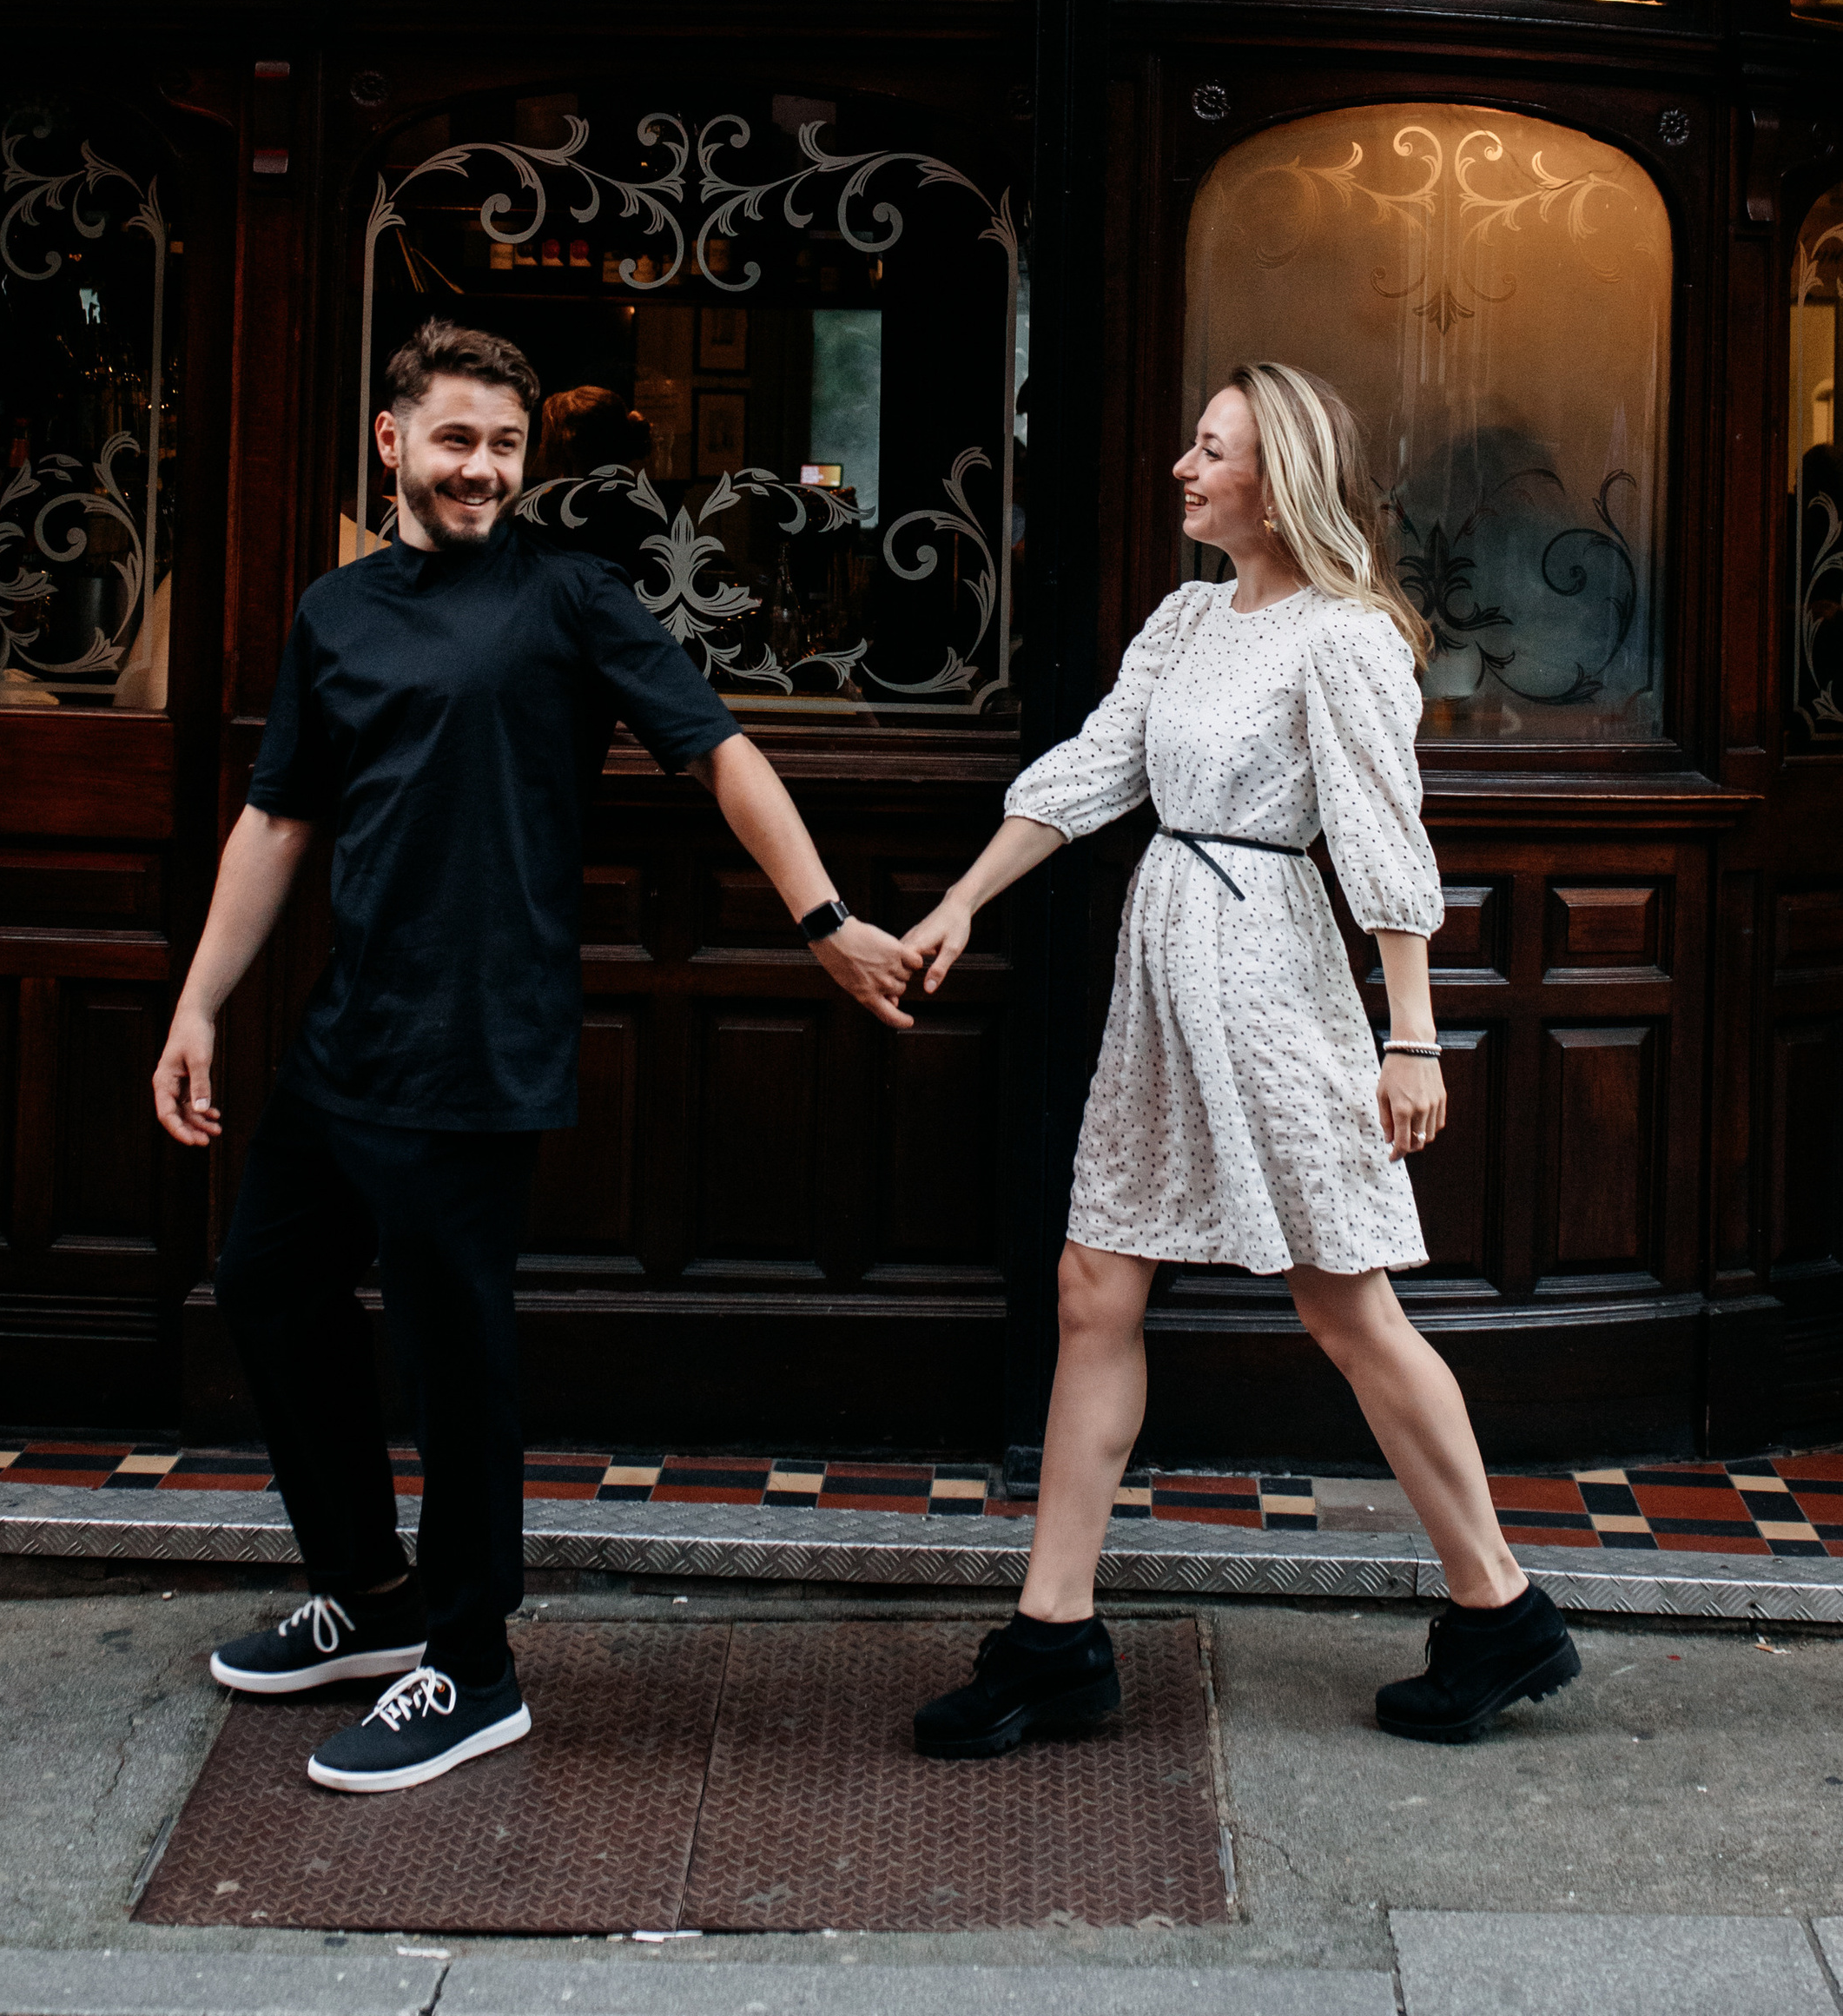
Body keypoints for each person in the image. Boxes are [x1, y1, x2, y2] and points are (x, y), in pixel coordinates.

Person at [150, 317, 918, 1794]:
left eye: (505, 446)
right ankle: (370, 1596)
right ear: (392, 441)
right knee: (266, 1283)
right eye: (457, 440)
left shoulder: (570, 597)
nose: (482, 469)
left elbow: (721, 751)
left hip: (480, 1045)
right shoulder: (336, 613)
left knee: (456, 1358)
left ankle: (474, 1664)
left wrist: (822, 917)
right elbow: (278, 817)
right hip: (348, 1036)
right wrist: (198, 1007)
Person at [900, 361, 1580, 1758]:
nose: (1184, 468)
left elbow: (1384, 841)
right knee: (1095, 1285)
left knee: (1347, 1305)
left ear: (1280, 486)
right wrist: (964, 899)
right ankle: (1052, 1637)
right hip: (1164, 974)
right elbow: (1098, 767)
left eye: (1212, 450)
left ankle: (1499, 1604)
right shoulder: (1186, 618)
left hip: (1271, 979)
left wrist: (1410, 1038)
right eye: (1194, 444)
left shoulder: (1344, 640)